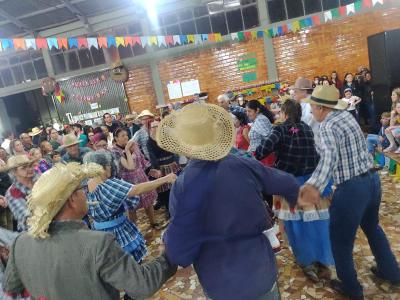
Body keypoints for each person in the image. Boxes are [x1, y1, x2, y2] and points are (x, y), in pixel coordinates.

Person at [157, 103, 300, 300]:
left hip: (221, 282)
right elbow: (289, 184)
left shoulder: (183, 186)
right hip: (260, 271)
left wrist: (167, 242)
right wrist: (282, 220)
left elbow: (180, 251)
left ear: (184, 146)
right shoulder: (242, 163)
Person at [3, 162, 177, 299]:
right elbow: (142, 285)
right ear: (71, 199)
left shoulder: (20, 243)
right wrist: (167, 258)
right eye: (81, 189)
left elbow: (10, 291)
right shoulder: (98, 243)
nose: (86, 194)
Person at [298, 85, 400, 299]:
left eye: (312, 107)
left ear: (320, 108)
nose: (311, 111)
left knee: (340, 242)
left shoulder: (326, 126)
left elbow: (328, 159)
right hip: (372, 181)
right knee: (373, 228)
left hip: (352, 189)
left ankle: (352, 289)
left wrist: (312, 186)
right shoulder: (345, 116)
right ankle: (392, 273)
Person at [255, 100, 334, 282]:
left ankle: (305, 261)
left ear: (284, 112)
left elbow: (262, 151)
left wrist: (253, 155)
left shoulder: (280, 129)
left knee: (295, 226)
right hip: (311, 183)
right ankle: (320, 259)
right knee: (315, 224)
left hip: (289, 185)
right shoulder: (306, 128)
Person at [83, 150, 176, 261]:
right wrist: (165, 179)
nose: (111, 168)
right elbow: (137, 189)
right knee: (130, 261)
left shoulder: (84, 186)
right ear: (103, 167)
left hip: (98, 232)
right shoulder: (108, 184)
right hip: (117, 231)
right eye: (108, 165)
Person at [112, 128, 159, 228]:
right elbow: (130, 166)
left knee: (148, 202)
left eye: (126, 135)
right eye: (122, 136)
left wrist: (150, 169)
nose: (126, 137)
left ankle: (153, 222)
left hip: (140, 176)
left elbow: (141, 159)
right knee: (132, 207)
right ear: (116, 138)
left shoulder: (133, 145)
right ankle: (135, 228)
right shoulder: (115, 152)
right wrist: (127, 151)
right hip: (128, 181)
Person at [147, 121, 181, 218]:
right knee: (164, 191)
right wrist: (157, 168)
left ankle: (177, 208)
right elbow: (152, 156)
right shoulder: (150, 142)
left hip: (171, 165)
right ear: (150, 129)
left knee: (175, 187)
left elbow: (173, 149)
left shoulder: (167, 137)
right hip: (161, 168)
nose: (156, 128)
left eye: (158, 126)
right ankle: (169, 209)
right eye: (153, 126)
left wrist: (175, 161)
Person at [4, 155, 38, 231]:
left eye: (30, 166)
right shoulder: (12, 193)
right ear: (14, 172)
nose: (29, 169)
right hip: (32, 232)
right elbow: (28, 218)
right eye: (24, 168)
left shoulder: (40, 178)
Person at [246, 100, 275, 167]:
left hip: (263, 158)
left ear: (257, 110)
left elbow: (269, 138)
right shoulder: (258, 119)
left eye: (249, 111)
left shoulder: (260, 120)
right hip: (261, 156)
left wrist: (258, 153)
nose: (247, 114)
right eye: (246, 111)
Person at [291, 77, 320, 144]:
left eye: (296, 91)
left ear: (304, 91)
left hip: (313, 142)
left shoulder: (310, 105)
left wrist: (291, 130)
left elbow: (304, 127)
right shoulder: (304, 103)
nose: (294, 94)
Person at [0, 154, 13, 230]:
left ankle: (12, 240)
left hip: (7, 199)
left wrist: (6, 198)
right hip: (1, 202)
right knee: (3, 223)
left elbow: (10, 186)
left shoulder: (5, 175)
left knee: (10, 220)